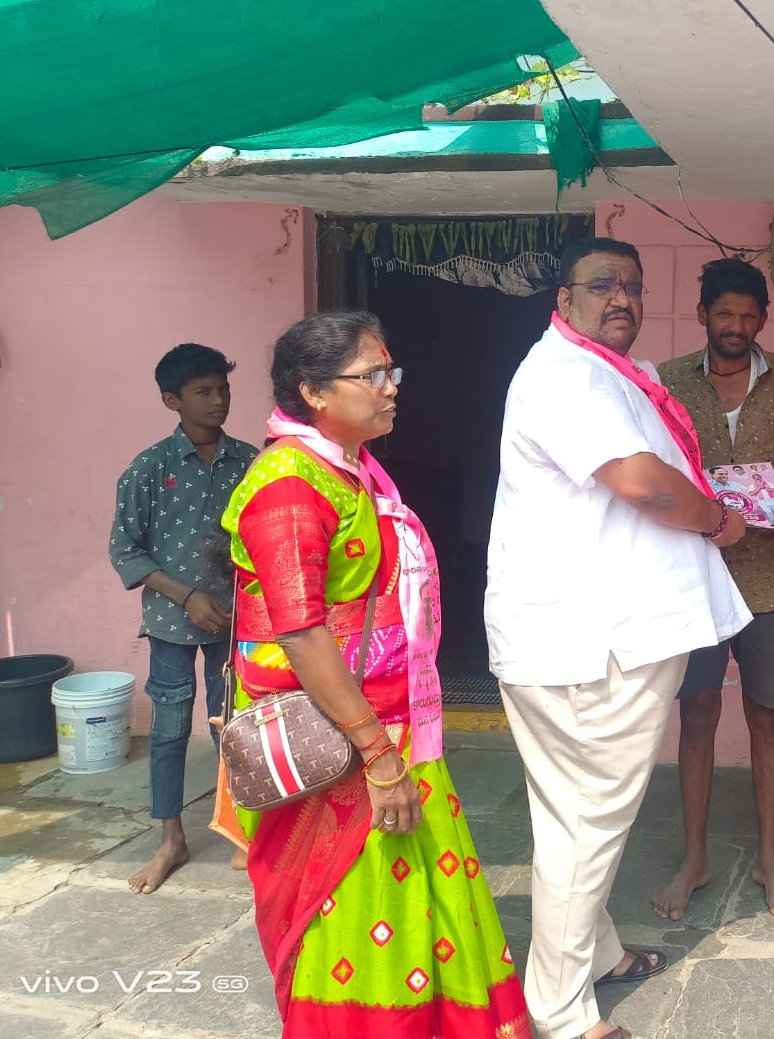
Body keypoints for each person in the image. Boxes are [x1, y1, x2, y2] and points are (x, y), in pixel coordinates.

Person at [222, 312, 528, 1038]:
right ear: (315, 392)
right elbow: (299, 633)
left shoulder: (352, 473)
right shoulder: (290, 487)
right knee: (352, 916)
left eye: (393, 374)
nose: (392, 391)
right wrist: (379, 757)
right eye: (373, 376)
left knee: (426, 898)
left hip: (396, 732)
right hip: (346, 748)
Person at [486, 237, 750, 1039]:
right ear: (561, 300)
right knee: (586, 821)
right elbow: (640, 483)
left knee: (574, 814)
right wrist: (718, 518)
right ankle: (561, 1013)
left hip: (596, 633)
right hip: (589, 642)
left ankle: (593, 953)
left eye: (633, 286)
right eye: (602, 285)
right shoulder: (567, 377)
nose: (622, 298)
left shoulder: (601, 374)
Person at [653, 258, 774, 921]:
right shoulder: (666, 381)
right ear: (702, 315)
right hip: (692, 577)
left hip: (768, 576)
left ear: (762, 320)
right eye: (724, 314)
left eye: (748, 316)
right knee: (695, 717)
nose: (736, 327)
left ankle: (768, 858)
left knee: (766, 717)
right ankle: (693, 858)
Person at [109, 343, 256, 893]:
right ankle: (171, 838)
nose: (218, 401)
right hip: (171, 623)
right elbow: (126, 550)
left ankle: (243, 830)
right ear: (172, 400)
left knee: (237, 727)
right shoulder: (148, 469)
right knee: (169, 730)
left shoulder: (250, 461)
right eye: (203, 392)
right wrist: (186, 594)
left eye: (223, 389)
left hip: (237, 621)